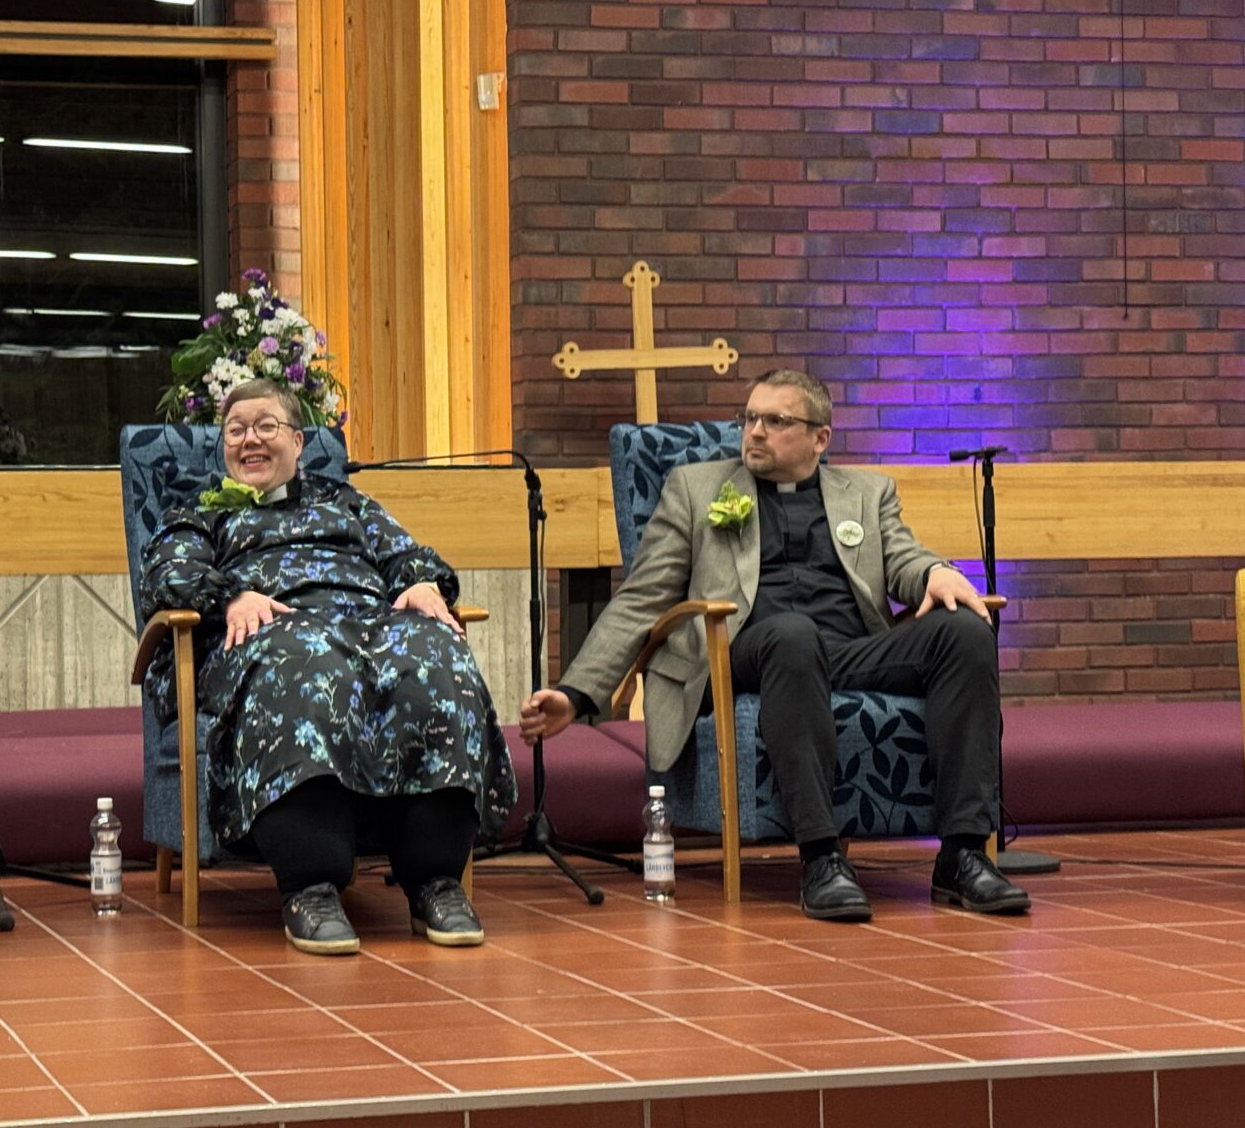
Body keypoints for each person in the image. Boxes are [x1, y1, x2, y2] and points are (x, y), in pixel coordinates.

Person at [521, 368, 1030, 922]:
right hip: (743, 652)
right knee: (792, 634)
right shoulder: (696, 489)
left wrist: (935, 572)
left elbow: (903, 557)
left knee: (965, 630)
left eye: (776, 421)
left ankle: (962, 855)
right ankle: (821, 857)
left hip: (847, 650)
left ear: (820, 438)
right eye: (750, 418)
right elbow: (642, 598)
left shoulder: (868, 492)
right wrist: (577, 692)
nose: (755, 432)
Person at [139, 380, 517, 955]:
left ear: (297, 441)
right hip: (268, 632)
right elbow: (168, 573)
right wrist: (229, 596)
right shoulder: (199, 513)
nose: (249, 440)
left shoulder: (345, 502)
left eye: (265, 426)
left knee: (436, 653)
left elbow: (409, 553)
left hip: (371, 627)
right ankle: (309, 885)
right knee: (305, 661)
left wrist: (420, 583)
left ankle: (435, 880)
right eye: (236, 430)